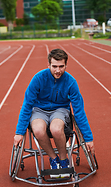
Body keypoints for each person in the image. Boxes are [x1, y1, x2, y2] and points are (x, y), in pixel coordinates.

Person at [14, 48, 95, 176]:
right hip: (39, 110)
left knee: (56, 129)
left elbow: (79, 111)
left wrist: (88, 138)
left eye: (61, 66)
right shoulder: (38, 78)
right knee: (39, 130)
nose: (58, 70)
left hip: (60, 109)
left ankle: (63, 160)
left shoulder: (71, 82)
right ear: (48, 65)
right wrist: (19, 132)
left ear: (66, 65)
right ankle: (53, 159)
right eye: (54, 66)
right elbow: (27, 105)